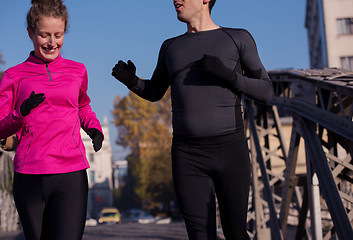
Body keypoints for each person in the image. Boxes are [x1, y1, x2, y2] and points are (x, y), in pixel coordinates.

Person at [112, 0, 273, 239]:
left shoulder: (237, 38)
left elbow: (267, 91)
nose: (176, 0)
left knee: (236, 233)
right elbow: (155, 92)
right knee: (199, 236)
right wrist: (132, 81)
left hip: (230, 150)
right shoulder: (170, 47)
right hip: (187, 155)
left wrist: (229, 76)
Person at [0, 0, 104, 239]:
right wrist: (21, 112)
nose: (52, 42)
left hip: (71, 173)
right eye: (44, 35)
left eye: (58, 35)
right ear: (30, 33)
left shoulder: (77, 71)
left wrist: (94, 129)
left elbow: (82, 106)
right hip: (30, 175)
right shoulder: (14, 75)